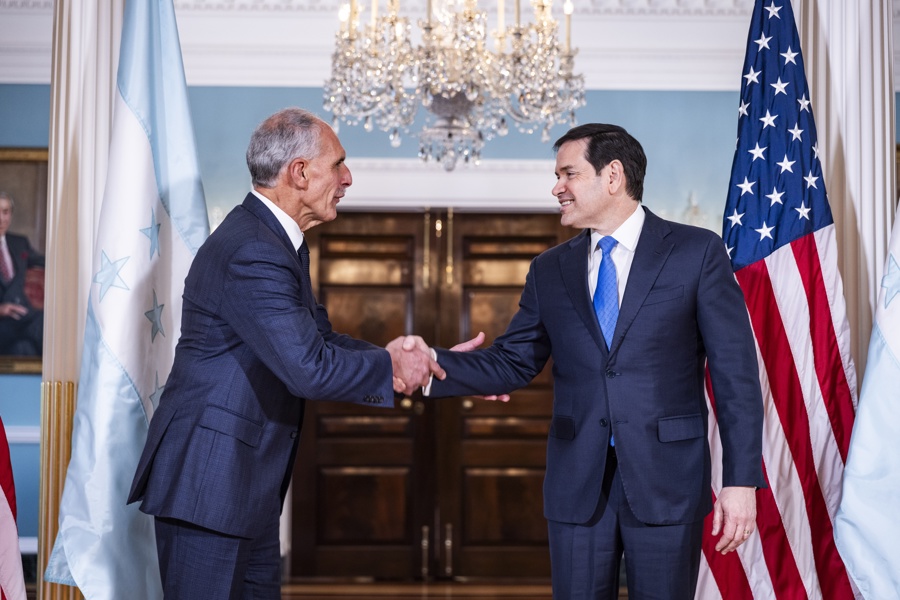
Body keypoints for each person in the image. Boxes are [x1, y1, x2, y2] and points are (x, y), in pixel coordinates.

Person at [420, 123, 765, 599]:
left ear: (613, 176)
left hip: (668, 481)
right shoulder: (549, 269)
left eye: (568, 174)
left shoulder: (696, 252)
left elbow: (736, 376)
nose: (557, 187)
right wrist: (435, 364)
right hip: (576, 485)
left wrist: (741, 481)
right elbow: (514, 361)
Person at [127, 108, 444, 599]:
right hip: (208, 487)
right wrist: (393, 367)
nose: (348, 178)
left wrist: (415, 360)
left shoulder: (277, 243)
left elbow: (319, 341)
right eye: (338, 164)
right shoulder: (254, 247)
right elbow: (309, 369)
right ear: (299, 173)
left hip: (242, 487)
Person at [0, 191, 44, 356]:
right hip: (2, 322)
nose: (1, 218)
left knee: (26, 347)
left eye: (5, 212)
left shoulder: (19, 243)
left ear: (10, 215)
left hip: (24, 316)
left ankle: (62, 375)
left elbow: (45, 261)